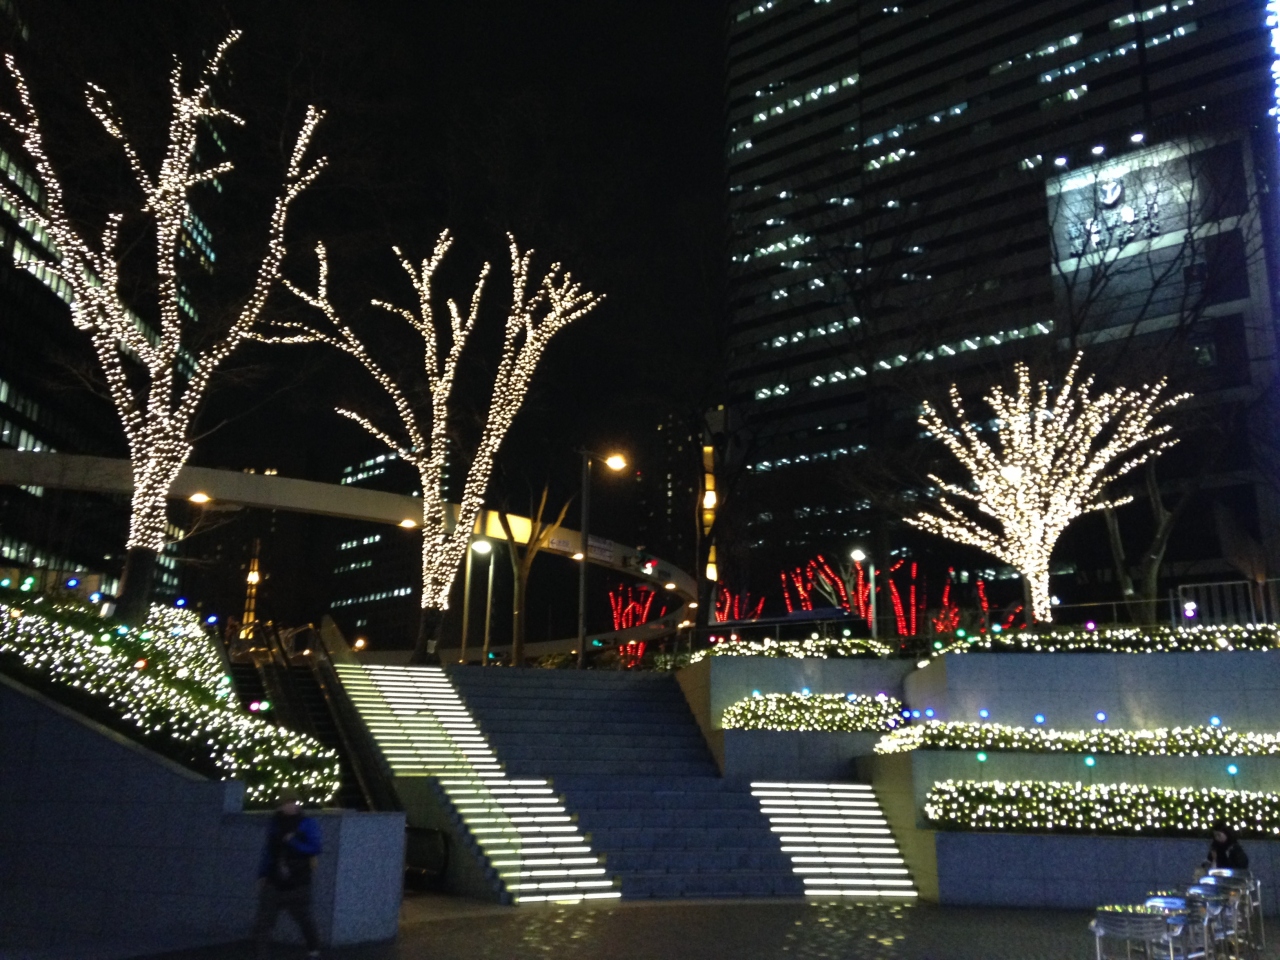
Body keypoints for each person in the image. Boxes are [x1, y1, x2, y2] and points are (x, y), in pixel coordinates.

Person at [254, 787, 323, 959]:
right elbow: (269, 851)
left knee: (304, 918)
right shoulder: (274, 824)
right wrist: (263, 873)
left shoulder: (306, 823)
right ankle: (261, 955)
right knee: (264, 922)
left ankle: (313, 948)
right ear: (280, 805)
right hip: (275, 879)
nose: (291, 806)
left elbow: (315, 847)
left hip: (298, 880)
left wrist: (293, 842)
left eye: (293, 802)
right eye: (287, 803)